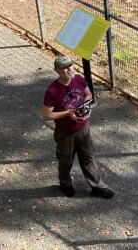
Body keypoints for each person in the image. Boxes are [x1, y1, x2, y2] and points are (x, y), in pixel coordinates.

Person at [42, 55, 114, 199]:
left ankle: (98, 187)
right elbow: (46, 115)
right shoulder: (52, 91)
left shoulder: (79, 79)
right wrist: (68, 113)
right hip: (65, 133)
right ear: (57, 71)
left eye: (70, 65)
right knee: (66, 160)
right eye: (65, 67)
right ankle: (65, 183)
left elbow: (88, 95)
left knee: (89, 157)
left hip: (83, 128)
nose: (69, 69)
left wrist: (85, 107)